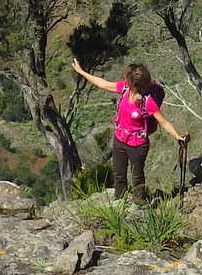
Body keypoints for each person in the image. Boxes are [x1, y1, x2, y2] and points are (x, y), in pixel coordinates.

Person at [71, 59, 187, 201]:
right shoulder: (125, 89)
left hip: (138, 145)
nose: (124, 79)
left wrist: (177, 136)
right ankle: (119, 201)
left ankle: (139, 203)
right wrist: (82, 72)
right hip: (119, 140)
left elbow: (163, 121)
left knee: (137, 177)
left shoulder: (147, 102)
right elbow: (103, 84)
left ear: (133, 84)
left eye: (127, 78)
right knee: (119, 174)